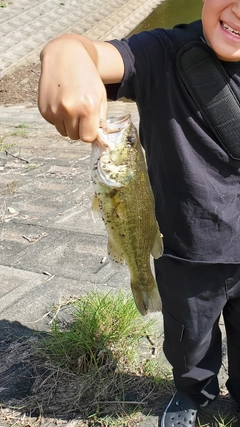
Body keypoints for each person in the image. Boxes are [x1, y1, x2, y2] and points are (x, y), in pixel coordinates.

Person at [38, 0, 240, 425]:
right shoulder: (162, 52)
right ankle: (191, 394)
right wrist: (65, 53)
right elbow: (91, 53)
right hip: (183, 250)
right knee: (189, 341)